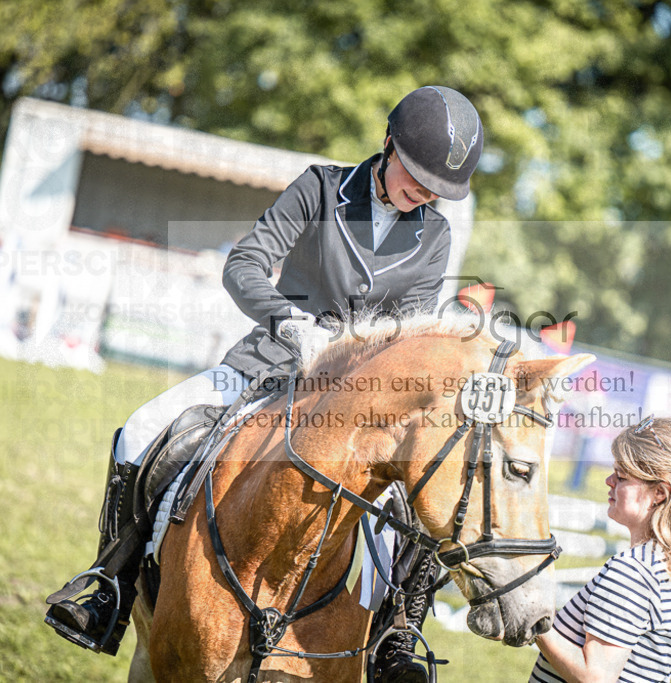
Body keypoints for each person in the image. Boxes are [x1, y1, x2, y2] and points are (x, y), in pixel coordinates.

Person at [45, 85, 484, 682]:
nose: (426, 194)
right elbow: (244, 262)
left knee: (411, 501)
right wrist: (289, 320)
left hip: (352, 402)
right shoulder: (321, 188)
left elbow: (403, 335)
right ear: (389, 143)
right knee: (144, 428)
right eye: (419, 176)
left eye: (438, 189)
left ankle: (396, 635)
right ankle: (110, 585)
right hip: (270, 362)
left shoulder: (433, 235)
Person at [531, 416, 671, 683]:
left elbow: (595, 678)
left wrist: (533, 622)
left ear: (660, 493)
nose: (609, 481)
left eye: (622, 476)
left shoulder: (633, 570)